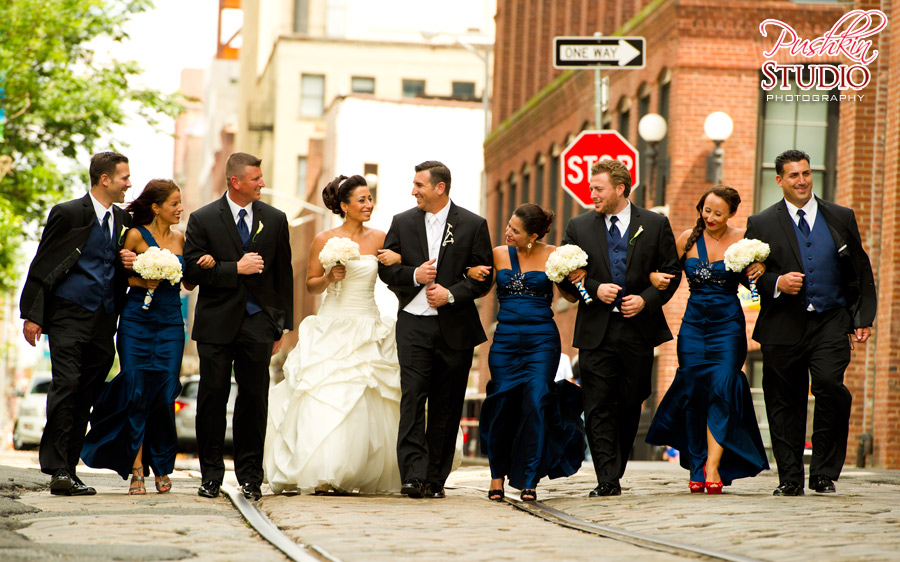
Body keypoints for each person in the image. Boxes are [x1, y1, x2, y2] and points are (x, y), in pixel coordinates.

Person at [746, 149, 876, 496]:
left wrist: (862, 317)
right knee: (784, 399)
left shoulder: (840, 216)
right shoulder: (761, 223)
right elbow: (747, 274)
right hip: (782, 324)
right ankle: (790, 477)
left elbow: (860, 270)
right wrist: (775, 282)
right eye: (793, 175)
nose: (801, 180)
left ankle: (823, 472)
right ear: (779, 180)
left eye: (805, 173)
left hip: (831, 320)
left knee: (830, 386)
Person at [264, 174, 403, 494]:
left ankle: (356, 471)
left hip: (367, 323)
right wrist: (329, 276)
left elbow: (394, 273)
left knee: (365, 397)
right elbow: (311, 283)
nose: (369, 205)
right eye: (362, 200)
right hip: (332, 323)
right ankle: (325, 470)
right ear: (344, 206)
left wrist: (397, 258)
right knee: (325, 394)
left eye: (370, 199)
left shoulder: (381, 237)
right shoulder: (323, 239)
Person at [81, 180, 215, 494]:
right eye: (174, 203)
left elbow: (190, 282)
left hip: (170, 323)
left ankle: (162, 466)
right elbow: (119, 275)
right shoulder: (136, 235)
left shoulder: (182, 239)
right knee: (135, 394)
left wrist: (205, 264)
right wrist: (143, 281)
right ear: (156, 207)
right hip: (136, 322)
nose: (180, 208)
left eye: (181, 203)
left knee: (164, 396)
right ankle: (137, 468)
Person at [557, 158, 681, 497]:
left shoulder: (654, 224)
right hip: (596, 331)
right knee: (596, 403)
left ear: (620, 188)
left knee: (630, 401)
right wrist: (593, 289)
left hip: (637, 330)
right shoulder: (578, 227)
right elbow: (566, 282)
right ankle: (606, 479)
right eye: (591, 188)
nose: (591, 193)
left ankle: (616, 462)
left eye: (598, 188)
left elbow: (671, 273)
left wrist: (645, 299)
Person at [19, 151, 136, 496]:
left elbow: (124, 264)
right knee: (66, 385)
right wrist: (33, 315)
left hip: (104, 316)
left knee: (86, 392)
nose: (129, 183)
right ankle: (56, 468)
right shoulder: (68, 213)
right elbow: (44, 263)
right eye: (124, 177)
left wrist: (130, 260)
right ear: (105, 180)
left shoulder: (125, 220)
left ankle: (69, 469)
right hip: (69, 312)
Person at [378, 160, 493, 499]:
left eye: (419, 184)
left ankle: (434, 479)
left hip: (454, 328)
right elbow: (386, 271)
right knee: (413, 399)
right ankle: (412, 475)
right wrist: (415, 275)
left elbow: (484, 278)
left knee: (447, 404)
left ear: (439, 188)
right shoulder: (401, 222)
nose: (413, 190)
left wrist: (452, 293)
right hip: (413, 325)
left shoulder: (473, 224)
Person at [645, 185, 770, 494]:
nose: (710, 217)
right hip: (693, 328)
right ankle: (697, 462)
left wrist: (760, 268)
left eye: (718, 212)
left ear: (731, 214)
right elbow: (666, 277)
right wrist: (652, 278)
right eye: (706, 210)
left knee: (723, 388)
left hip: (727, 326)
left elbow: (754, 281)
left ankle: (713, 466)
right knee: (695, 393)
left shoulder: (743, 241)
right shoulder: (686, 239)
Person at [184, 152, 294, 502]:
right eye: (256, 178)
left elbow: (282, 276)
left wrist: (280, 326)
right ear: (235, 182)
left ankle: (250, 477)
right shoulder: (202, 219)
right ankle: (211, 477)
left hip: (259, 323)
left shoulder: (275, 219)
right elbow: (190, 275)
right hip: (216, 323)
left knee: (254, 401)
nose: (262, 183)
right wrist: (235, 269)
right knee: (212, 398)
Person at [468, 203, 584, 502]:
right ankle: (497, 476)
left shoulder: (553, 255)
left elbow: (571, 297)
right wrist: (473, 272)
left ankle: (530, 478)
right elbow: (480, 290)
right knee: (501, 404)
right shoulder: (498, 254)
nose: (507, 232)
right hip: (505, 342)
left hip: (541, 341)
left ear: (532, 235)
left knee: (536, 402)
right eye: (508, 225)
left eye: (515, 230)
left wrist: (576, 277)